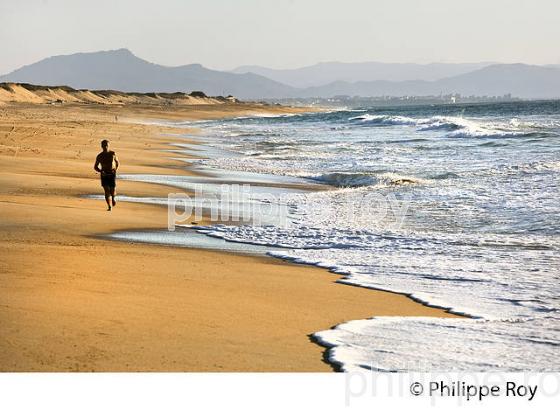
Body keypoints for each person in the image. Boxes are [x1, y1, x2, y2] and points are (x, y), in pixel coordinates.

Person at [94, 139, 119, 211]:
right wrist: (101, 171)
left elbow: (117, 163)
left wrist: (115, 170)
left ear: (108, 146)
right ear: (101, 146)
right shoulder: (99, 156)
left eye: (106, 145)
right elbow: (95, 167)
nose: (105, 147)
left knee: (112, 190)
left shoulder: (113, 154)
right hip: (104, 174)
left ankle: (113, 198)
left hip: (112, 173)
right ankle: (109, 206)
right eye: (104, 145)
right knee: (106, 190)